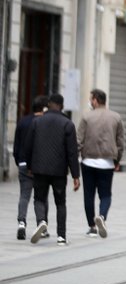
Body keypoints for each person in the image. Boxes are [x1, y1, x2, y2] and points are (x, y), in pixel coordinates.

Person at [24, 94, 81, 245]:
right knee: (60, 203)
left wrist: (29, 167)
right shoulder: (68, 124)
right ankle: (61, 236)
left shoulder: (37, 121)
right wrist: (76, 175)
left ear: (48, 104)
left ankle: (42, 221)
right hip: (59, 171)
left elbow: (28, 146)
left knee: (39, 199)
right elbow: (72, 152)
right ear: (62, 106)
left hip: (39, 168)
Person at [77, 89, 124, 238]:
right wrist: (117, 160)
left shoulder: (86, 117)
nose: (90, 102)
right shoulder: (116, 117)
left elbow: (79, 141)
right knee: (105, 195)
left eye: (91, 99)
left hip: (88, 161)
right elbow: (120, 142)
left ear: (96, 100)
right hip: (107, 163)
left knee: (88, 195)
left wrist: (72, 161)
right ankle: (102, 217)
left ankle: (92, 226)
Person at [13, 95, 48, 240]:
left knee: (24, 195)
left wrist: (19, 161)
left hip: (23, 164)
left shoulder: (23, 122)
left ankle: (21, 223)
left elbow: (16, 145)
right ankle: (42, 223)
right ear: (44, 108)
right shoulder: (45, 123)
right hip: (40, 165)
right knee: (41, 197)